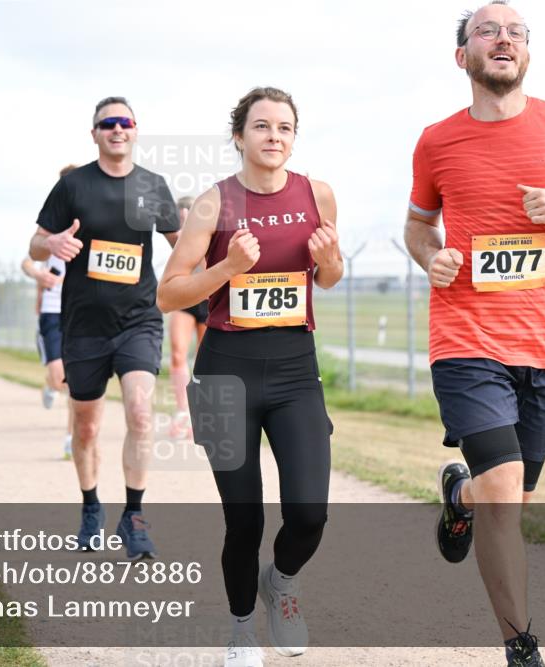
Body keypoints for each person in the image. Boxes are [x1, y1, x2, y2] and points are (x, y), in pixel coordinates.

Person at [404, 3, 545, 666]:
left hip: (543, 348)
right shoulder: (436, 140)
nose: (504, 39)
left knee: (508, 496)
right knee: (505, 495)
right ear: (462, 56)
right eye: (487, 31)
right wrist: (431, 255)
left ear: (526, 53)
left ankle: (458, 494)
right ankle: (521, 646)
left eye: (516, 32)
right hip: (466, 338)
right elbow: (418, 225)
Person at [158, 87, 341, 667]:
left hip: (294, 372)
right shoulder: (213, 204)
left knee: (310, 511)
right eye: (261, 126)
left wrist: (330, 259)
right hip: (224, 375)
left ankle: (281, 583)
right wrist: (228, 267)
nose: (274, 136)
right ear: (239, 136)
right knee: (244, 519)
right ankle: (241, 631)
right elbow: (169, 293)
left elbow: (329, 277)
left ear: (294, 136)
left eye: (285, 127)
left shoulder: (318, 194)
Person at [28, 96, 179, 559]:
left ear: (136, 130)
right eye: (107, 123)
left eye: (125, 122)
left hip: (138, 320)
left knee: (138, 411)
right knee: (87, 429)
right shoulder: (74, 186)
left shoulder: (153, 186)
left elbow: (182, 243)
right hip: (84, 327)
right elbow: (35, 245)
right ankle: (91, 505)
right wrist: (50, 241)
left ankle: (134, 516)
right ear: (93, 133)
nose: (117, 129)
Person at [22, 164, 77, 459]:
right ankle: (48, 384)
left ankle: (71, 436)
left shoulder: (91, 222)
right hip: (52, 311)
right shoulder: (52, 225)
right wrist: (38, 277)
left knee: (73, 380)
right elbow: (27, 261)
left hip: (78, 311)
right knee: (58, 376)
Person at [166, 196, 208, 439]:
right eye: (181, 213)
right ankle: (182, 410)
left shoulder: (208, 233)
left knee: (203, 361)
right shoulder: (177, 236)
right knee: (178, 353)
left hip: (207, 299)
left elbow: (205, 262)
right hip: (184, 299)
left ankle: (200, 413)